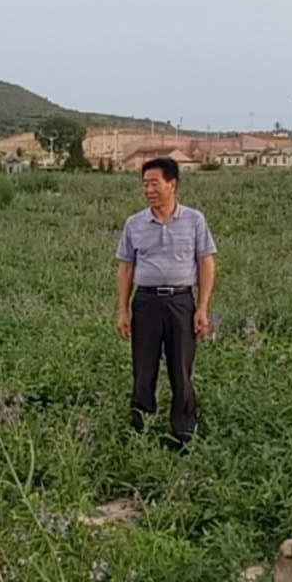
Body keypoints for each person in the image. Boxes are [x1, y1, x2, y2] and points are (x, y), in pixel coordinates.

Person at [114, 157, 217, 450]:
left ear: (172, 184)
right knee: (143, 369)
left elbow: (206, 263)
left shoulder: (194, 220)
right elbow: (125, 268)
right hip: (145, 303)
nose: (148, 190)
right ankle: (140, 429)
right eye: (145, 184)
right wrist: (122, 309)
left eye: (154, 183)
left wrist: (202, 307)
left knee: (180, 370)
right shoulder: (134, 224)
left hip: (181, 302)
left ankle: (183, 434)